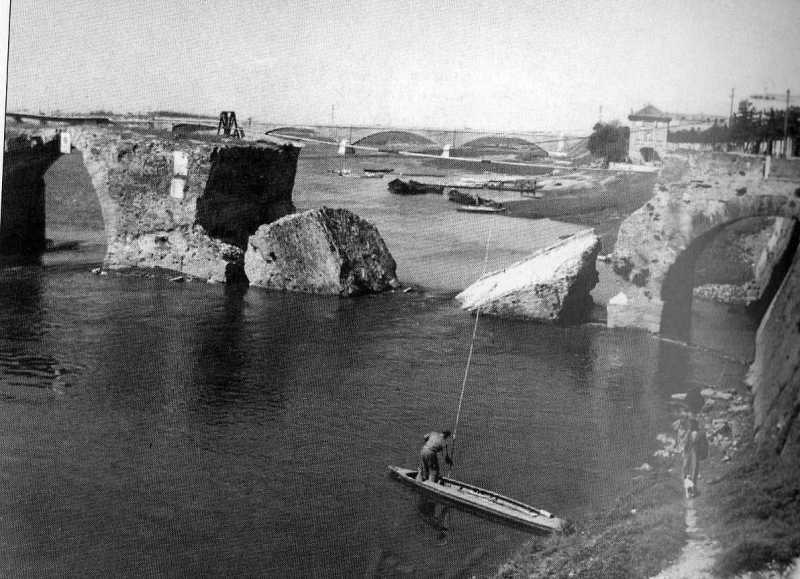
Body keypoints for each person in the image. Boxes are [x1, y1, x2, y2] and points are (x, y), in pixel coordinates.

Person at [681, 418, 707, 498]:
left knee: (695, 471)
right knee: (686, 470)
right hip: (688, 454)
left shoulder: (701, 433)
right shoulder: (688, 433)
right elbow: (685, 443)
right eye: (689, 425)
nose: (690, 426)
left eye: (692, 425)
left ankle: (693, 489)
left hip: (696, 453)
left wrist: (703, 454)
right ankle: (688, 489)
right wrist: (684, 452)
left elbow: (704, 444)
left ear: (696, 425)